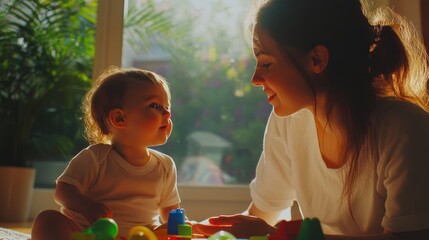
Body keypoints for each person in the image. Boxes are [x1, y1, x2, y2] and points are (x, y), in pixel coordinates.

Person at [193, 0, 429, 239]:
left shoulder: (404, 130)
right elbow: (264, 215)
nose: (255, 79)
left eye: (266, 63)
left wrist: (279, 236)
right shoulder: (287, 123)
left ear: (317, 59)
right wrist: (201, 232)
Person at [31, 67, 181, 240]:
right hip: (93, 234)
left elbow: (171, 215)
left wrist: (190, 226)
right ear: (119, 118)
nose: (167, 114)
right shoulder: (96, 158)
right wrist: (86, 206)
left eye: (167, 107)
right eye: (155, 106)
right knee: (47, 220)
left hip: (141, 236)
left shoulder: (165, 166)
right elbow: (63, 191)